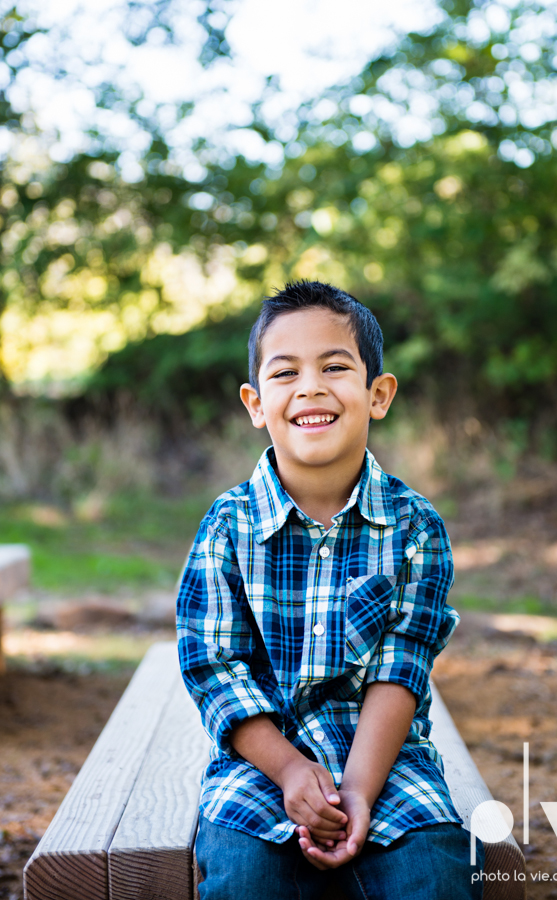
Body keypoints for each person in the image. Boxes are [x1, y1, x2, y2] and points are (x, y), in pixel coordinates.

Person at [176, 280, 484, 899]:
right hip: (261, 766)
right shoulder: (228, 527)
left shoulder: (415, 527)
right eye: (285, 372)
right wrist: (290, 769)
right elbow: (215, 668)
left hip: (386, 764)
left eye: (335, 367)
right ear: (256, 402)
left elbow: (403, 668)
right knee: (246, 882)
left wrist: (360, 792)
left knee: (434, 877)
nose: (311, 386)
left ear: (378, 394)